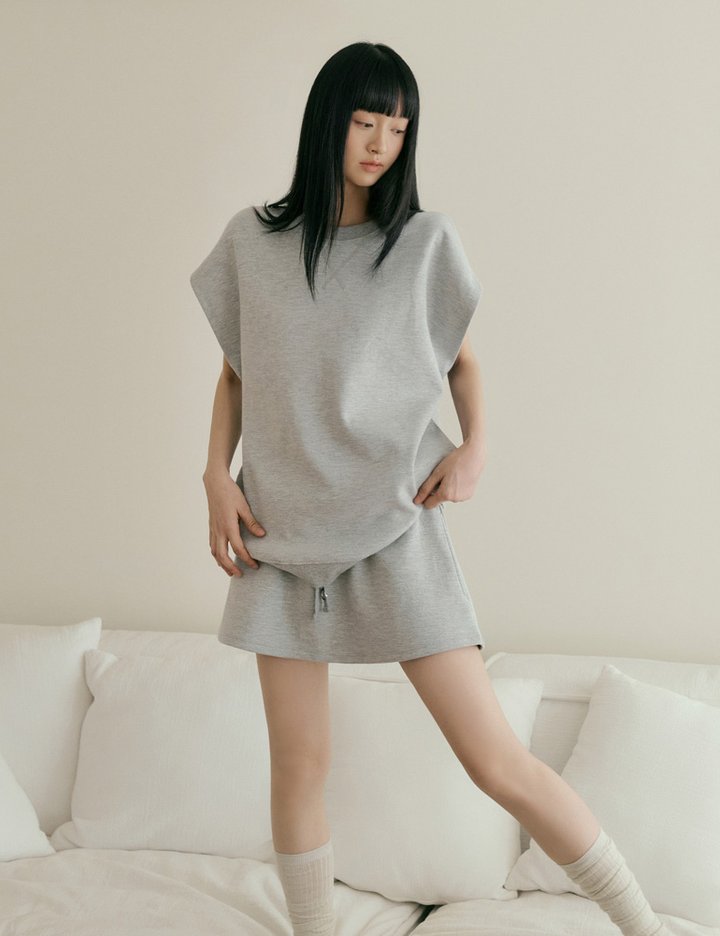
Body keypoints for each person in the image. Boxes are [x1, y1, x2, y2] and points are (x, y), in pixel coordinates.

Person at [190, 41, 669, 936]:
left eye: (399, 127)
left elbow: (464, 365)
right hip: (279, 533)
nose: (382, 143)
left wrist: (476, 447)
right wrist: (215, 474)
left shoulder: (423, 244)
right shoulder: (253, 242)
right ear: (329, 121)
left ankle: (643, 925)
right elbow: (235, 375)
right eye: (366, 121)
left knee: (495, 761)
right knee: (298, 764)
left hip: (395, 525)